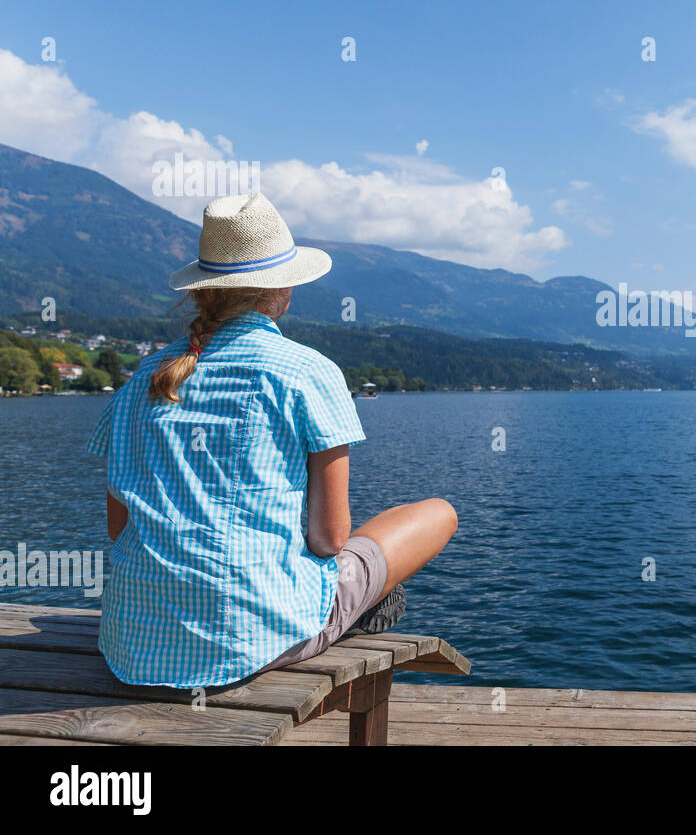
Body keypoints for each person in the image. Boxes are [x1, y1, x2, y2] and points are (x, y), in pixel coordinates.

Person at [86, 192, 457, 688]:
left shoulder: (144, 378)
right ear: (282, 288)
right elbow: (329, 541)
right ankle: (358, 605)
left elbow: (119, 529)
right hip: (250, 640)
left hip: (132, 648)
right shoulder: (306, 371)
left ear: (203, 290)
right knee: (438, 513)